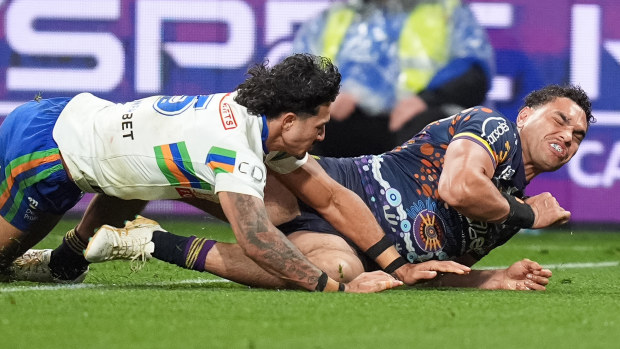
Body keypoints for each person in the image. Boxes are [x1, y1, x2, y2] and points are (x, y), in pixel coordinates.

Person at [3, 53, 474, 292]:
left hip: (76, 123)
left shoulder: (259, 119)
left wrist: (399, 265)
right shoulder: (233, 148)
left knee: (145, 177)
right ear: (289, 120)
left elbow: (330, 198)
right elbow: (258, 240)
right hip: (45, 154)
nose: (325, 137)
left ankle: (69, 257)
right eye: (321, 125)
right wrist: (338, 287)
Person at [83, 84, 592, 291]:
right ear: (526, 114)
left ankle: (146, 240)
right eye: (559, 120)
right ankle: (115, 185)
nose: (566, 136)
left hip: (360, 250)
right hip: (328, 189)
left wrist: (494, 278)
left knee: (329, 272)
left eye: (578, 135)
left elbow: (428, 273)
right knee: (205, 180)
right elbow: (460, 187)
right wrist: (527, 217)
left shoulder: (510, 205)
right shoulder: (493, 128)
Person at [293, 0, 494, 156]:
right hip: (348, 121)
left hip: (414, 121)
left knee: (431, 129)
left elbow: (474, 76)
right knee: (302, 124)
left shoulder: (445, 11)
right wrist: (326, 95)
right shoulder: (338, 14)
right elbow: (297, 74)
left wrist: (424, 100)